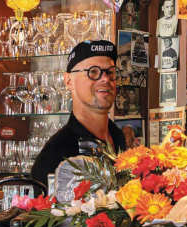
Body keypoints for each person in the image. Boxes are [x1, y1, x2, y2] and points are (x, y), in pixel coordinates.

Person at [31, 40, 126, 186]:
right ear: (69, 81)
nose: (105, 79)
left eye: (110, 72)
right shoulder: (56, 153)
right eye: (93, 72)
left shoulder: (120, 137)